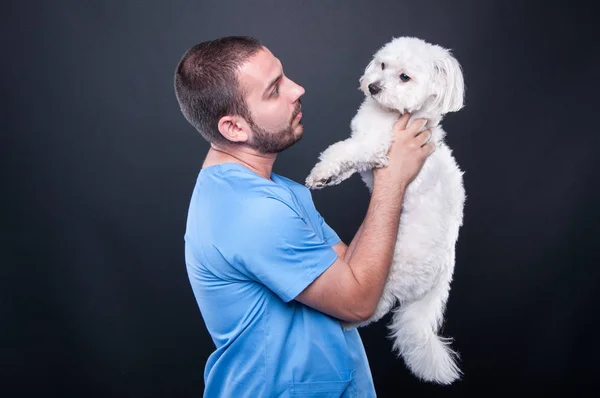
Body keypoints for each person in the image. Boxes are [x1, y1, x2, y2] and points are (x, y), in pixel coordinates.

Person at [174, 36, 435, 397]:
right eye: (274, 90)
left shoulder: (271, 191)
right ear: (234, 128)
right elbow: (358, 303)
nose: (297, 89)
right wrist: (391, 179)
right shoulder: (252, 212)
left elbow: (352, 271)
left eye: (284, 76)